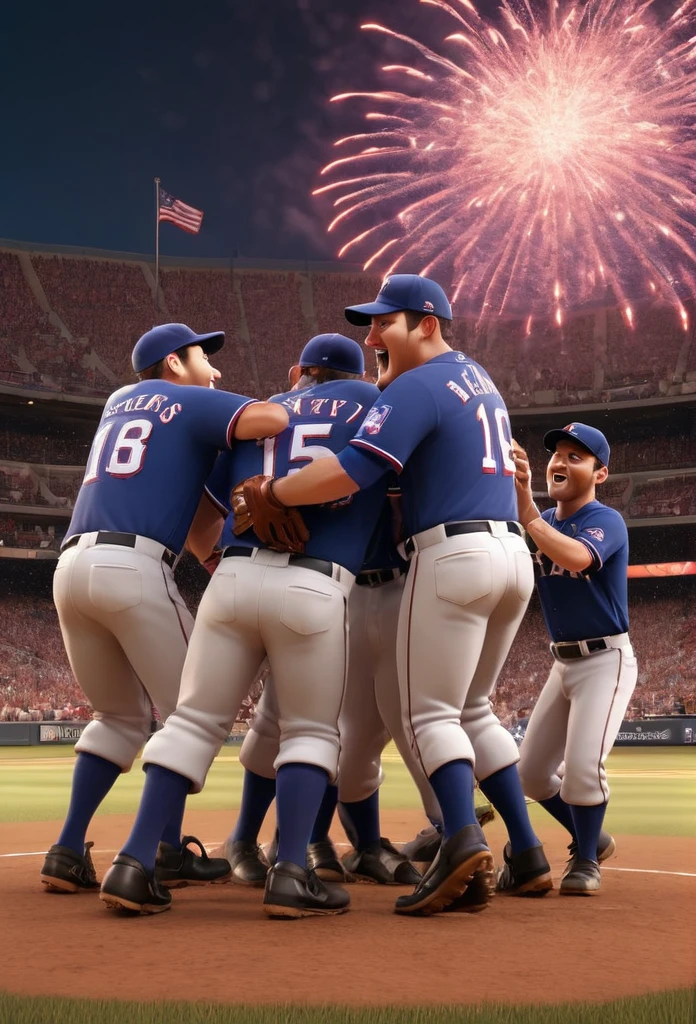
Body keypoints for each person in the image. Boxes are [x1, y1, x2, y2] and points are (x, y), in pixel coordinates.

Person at [243, 274, 550, 915]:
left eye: (387, 322)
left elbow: (356, 469)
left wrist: (274, 493)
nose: (373, 334)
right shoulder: (476, 376)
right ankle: (528, 852)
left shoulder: (416, 385)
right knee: (474, 710)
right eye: (370, 324)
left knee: (429, 715)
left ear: (428, 324)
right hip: (509, 553)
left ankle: (460, 839)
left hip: (450, 556)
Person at [98, 334, 394, 917]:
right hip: (316, 581)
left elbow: (202, 527)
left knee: (189, 724)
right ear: (357, 373)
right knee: (310, 732)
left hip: (231, 580)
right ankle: (289, 874)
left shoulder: (260, 415)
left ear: (298, 370)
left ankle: (132, 864)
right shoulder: (372, 406)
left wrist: (226, 561)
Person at [40, 323, 288, 896]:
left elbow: (198, 523)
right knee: (195, 715)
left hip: (72, 567)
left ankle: (68, 849)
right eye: (205, 356)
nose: (216, 370)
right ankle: (159, 853)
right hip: (133, 567)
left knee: (119, 719)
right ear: (175, 363)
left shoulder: (117, 402)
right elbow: (272, 421)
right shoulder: (186, 398)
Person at [510, 424, 637, 895]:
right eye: (557, 454)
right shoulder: (541, 519)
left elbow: (580, 558)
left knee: (583, 767)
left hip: (606, 659)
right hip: (561, 662)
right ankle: (593, 836)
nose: (560, 462)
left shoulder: (606, 519)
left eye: (576, 457)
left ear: (600, 473)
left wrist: (529, 517)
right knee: (530, 772)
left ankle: (585, 861)